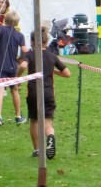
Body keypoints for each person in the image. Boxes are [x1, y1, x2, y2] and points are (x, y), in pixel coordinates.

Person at [17, 27, 71, 159]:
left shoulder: (30, 55)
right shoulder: (52, 56)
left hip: (33, 93)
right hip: (48, 93)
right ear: (46, 42)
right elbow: (67, 73)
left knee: (34, 121)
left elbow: (23, 66)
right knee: (48, 122)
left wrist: (17, 78)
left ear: (32, 42)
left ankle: (37, 150)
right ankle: (50, 136)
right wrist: (53, 71)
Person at [0, 9, 28, 126]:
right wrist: (23, 58)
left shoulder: (1, 29)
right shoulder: (20, 35)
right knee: (15, 90)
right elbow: (24, 49)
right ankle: (18, 116)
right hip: (13, 67)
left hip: (0, 66)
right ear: (17, 22)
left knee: (0, 90)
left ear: (5, 19)